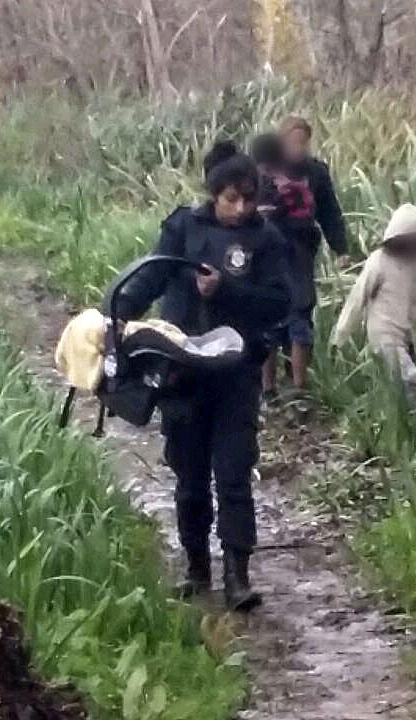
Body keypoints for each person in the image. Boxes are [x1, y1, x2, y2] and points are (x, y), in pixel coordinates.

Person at [110, 140, 291, 612]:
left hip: (237, 373)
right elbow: (151, 278)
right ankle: (196, 567)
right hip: (182, 372)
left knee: (233, 472)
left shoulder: (266, 240)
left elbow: (280, 303)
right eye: (232, 198)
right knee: (188, 475)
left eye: (249, 199)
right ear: (214, 194)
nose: (241, 208)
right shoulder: (183, 228)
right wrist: (115, 314)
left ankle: (238, 574)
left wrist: (226, 290)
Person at [258, 116, 348, 400]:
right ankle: (267, 388)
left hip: (301, 251)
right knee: (268, 319)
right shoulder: (264, 171)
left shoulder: (316, 172)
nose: (298, 148)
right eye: (292, 142)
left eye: (303, 142)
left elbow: (329, 211)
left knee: (300, 313)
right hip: (268, 253)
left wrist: (340, 247)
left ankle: (299, 388)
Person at [329, 203, 416, 405]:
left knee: (400, 387)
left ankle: (404, 425)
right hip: (384, 332)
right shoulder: (379, 262)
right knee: (411, 379)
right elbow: (357, 299)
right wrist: (340, 336)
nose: (412, 244)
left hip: (409, 333)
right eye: (408, 238)